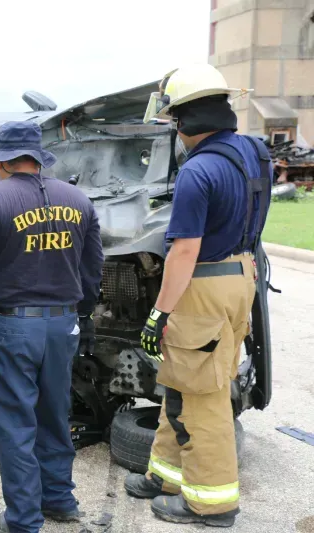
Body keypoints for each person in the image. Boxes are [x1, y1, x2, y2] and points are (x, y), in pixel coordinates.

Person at [124, 64, 271, 528]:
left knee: (203, 397)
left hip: (203, 284)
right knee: (187, 383)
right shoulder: (255, 153)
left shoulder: (198, 171)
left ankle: (211, 504)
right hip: (241, 276)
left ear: (184, 120)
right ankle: (166, 475)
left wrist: (159, 313)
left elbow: (184, 250)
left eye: (172, 120)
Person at [0, 121, 103, 533]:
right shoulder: (78, 200)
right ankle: (60, 500)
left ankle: (24, 520)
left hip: (15, 327)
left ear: (2, 163)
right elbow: (93, 267)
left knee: (15, 424)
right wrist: (82, 314)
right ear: (36, 159)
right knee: (54, 413)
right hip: (63, 325)